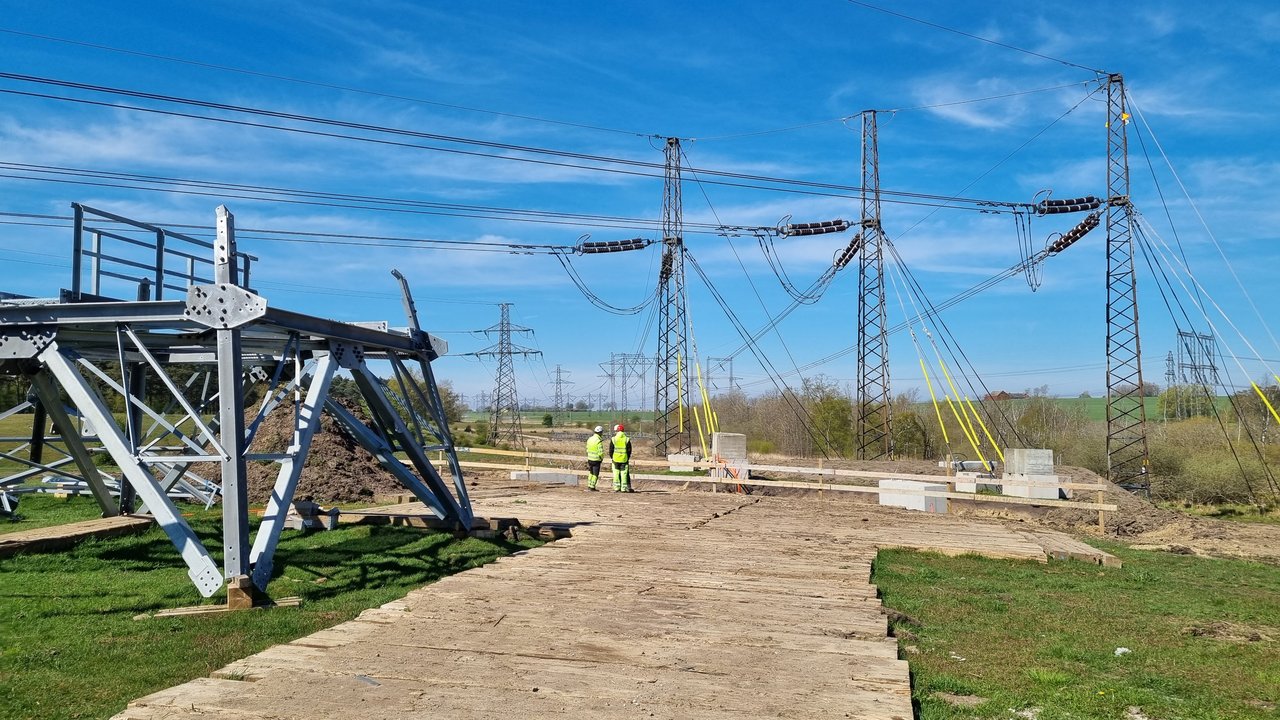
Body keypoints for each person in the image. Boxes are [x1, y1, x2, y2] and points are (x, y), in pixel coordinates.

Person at [607, 423, 633, 492]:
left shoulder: (614, 439)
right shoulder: (626, 439)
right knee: (624, 474)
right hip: (624, 459)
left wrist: (612, 457)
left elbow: (611, 450)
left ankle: (616, 487)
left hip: (615, 459)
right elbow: (629, 450)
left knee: (616, 474)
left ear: (617, 431)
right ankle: (623, 488)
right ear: (623, 431)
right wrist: (627, 457)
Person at [585, 425, 604, 491]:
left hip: (590, 459)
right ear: (600, 432)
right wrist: (601, 458)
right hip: (596, 459)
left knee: (591, 472)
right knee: (595, 474)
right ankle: (592, 487)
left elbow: (587, 448)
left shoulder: (590, 439)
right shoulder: (598, 440)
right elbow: (600, 452)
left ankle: (589, 485)